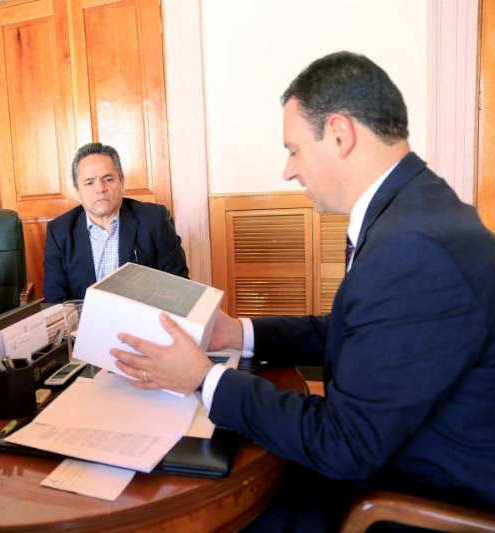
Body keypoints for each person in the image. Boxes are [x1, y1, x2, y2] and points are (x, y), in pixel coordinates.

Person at [111, 51, 495, 531]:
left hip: (408, 494)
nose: (288, 170)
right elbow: (354, 332)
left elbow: (344, 444)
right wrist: (238, 333)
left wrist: (203, 379)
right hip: (396, 447)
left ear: (339, 134)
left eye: (293, 149)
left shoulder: (414, 248)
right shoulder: (416, 206)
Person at [43, 142, 189, 303]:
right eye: (89, 183)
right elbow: (55, 300)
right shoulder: (60, 232)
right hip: (85, 318)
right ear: (78, 191)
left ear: (122, 183)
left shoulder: (154, 220)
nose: (100, 188)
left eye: (108, 179)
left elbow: (178, 285)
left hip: (142, 317)